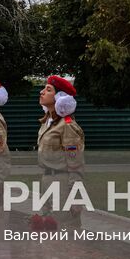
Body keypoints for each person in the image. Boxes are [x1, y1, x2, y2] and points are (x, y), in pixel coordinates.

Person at [36, 75, 84, 227]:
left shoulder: (67, 126)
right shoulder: (47, 123)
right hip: (47, 181)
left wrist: (75, 198)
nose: (42, 92)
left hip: (62, 184)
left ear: (60, 98)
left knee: (66, 231)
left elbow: (76, 164)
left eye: (48, 90)